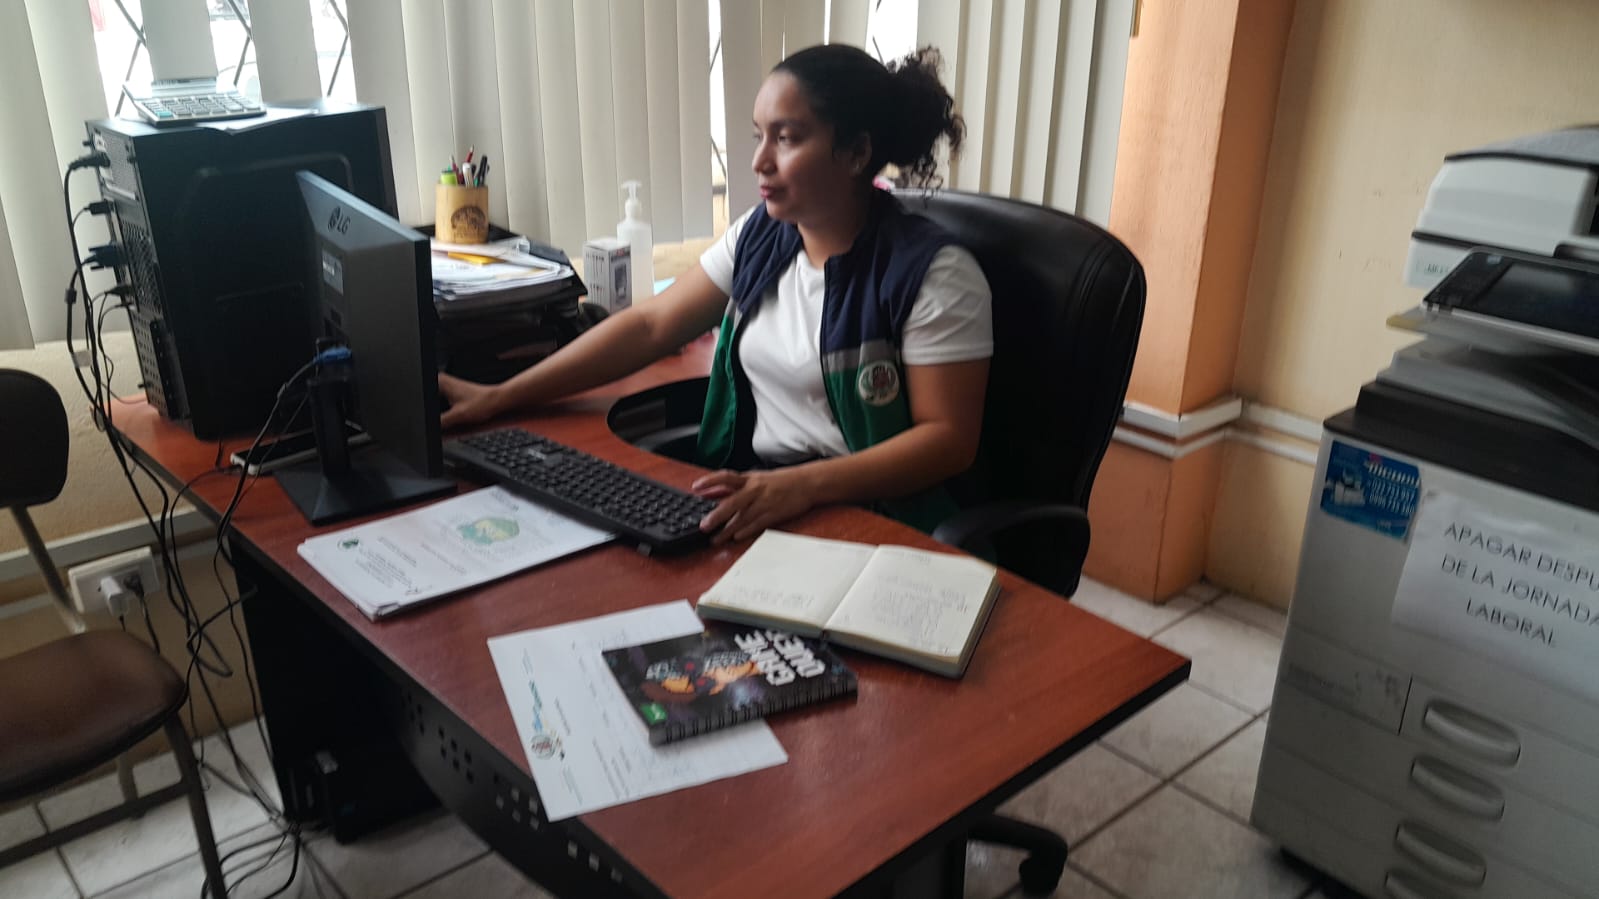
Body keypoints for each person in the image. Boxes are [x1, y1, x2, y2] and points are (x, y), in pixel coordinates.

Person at [439, 44, 992, 544]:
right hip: (759, 500)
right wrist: (501, 397)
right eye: (759, 136)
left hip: (875, 521)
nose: (759, 161)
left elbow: (948, 440)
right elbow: (651, 326)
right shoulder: (761, 236)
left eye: (787, 138)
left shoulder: (931, 273)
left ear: (855, 153)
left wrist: (804, 486)